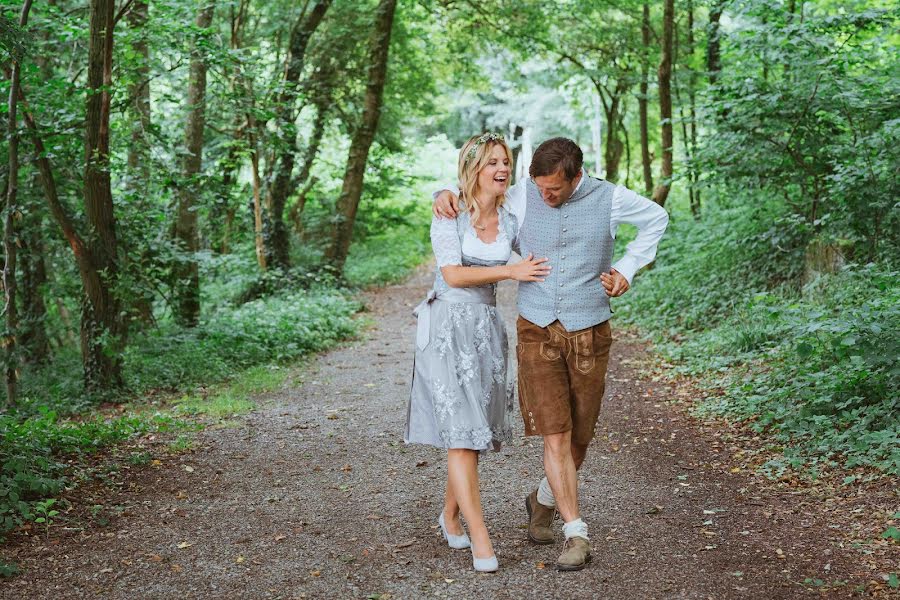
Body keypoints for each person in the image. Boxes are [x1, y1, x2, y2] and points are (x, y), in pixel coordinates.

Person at [433, 137, 669, 571]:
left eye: (554, 190)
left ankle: (541, 500)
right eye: (539, 187)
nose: (545, 196)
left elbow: (657, 218)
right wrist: (443, 192)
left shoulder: (610, 197)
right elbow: (478, 182)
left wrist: (628, 269)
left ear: (577, 177)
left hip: (590, 329)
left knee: (580, 437)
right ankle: (575, 532)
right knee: (556, 435)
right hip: (536, 326)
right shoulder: (523, 191)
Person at [405, 132, 552, 573]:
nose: (501, 169)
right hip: (446, 327)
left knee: (474, 432)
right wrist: (510, 269)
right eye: (491, 162)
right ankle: (480, 538)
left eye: (505, 161)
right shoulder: (448, 215)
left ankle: (450, 513)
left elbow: (548, 230)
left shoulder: (511, 219)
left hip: (486, 330)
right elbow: (451, 274)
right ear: (472, 168)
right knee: (460, 434)